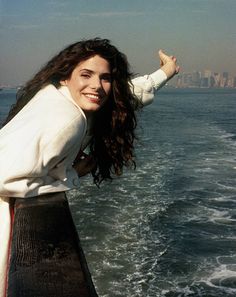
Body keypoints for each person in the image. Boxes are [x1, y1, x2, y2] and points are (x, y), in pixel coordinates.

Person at [0, 38, 179, 295]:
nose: (97, 85)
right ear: (65, 77)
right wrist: (70, 174)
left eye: (105, 78)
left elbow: (126, 94)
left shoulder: (60, 96)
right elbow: (3, 175)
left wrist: (166, 71)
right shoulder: (68, 121)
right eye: (86, 74)